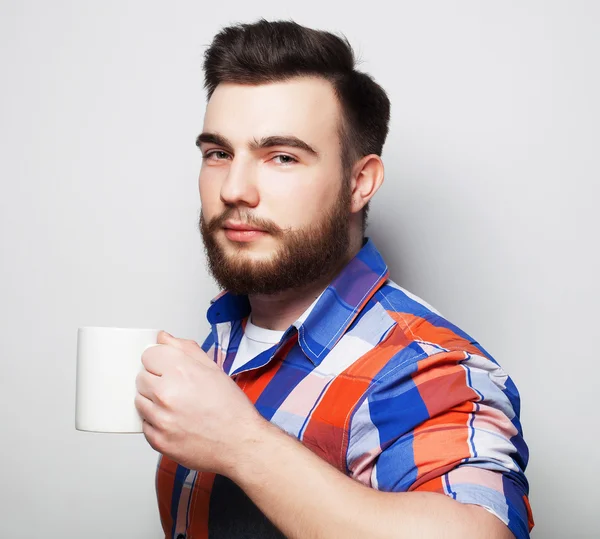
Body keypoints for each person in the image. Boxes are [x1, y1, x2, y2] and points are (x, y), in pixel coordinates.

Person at [134, 19, 534, 539]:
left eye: (281, 157)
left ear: (359, 182)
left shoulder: (423, 369)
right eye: (218, 154)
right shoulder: (223, 339)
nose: (234, 189)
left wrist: (240, 444)